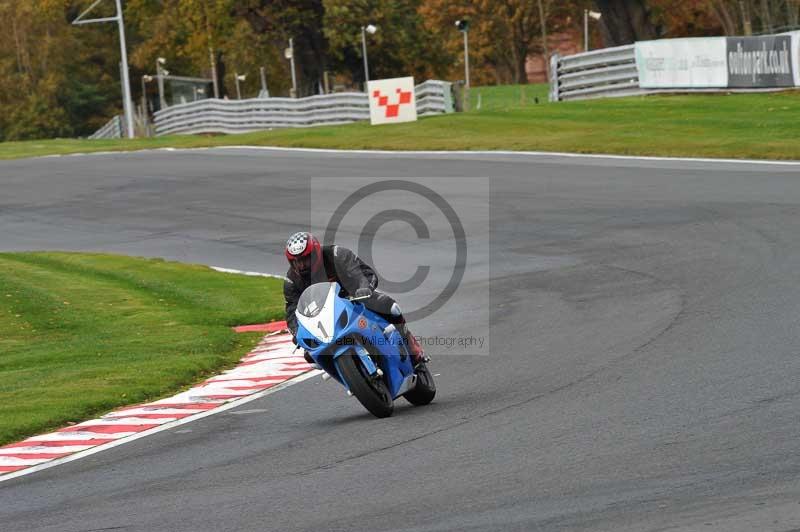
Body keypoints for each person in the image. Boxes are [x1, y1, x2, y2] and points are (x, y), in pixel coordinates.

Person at [283, 231, 427, 366]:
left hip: (356, 298)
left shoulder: (336, 255)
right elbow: (292, 310)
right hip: (324, 316)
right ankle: (347, 373)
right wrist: (296, 332)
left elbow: (362, 273)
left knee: (391, 307)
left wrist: (363, 288)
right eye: (296, 262)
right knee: (310, 355)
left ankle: (410, 343)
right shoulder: (291, 281)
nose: (301, 265)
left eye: (305, 260)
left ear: (315, 254)